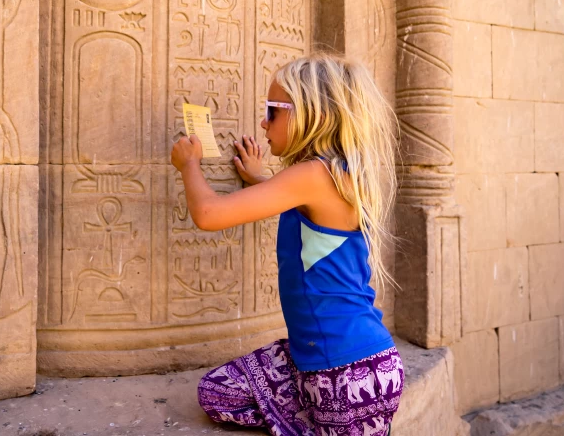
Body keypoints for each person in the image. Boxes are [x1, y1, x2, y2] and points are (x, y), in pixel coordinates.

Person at [170, 53, 404, 436]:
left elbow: (208, 214)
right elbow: (303, 205)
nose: (263, 122)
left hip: (344, 375)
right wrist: (261, 178)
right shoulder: (337, 174)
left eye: (272, 111)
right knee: (218, 392)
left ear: (311, 114)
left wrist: (190, 164)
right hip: (360, 363)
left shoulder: (312, 175)